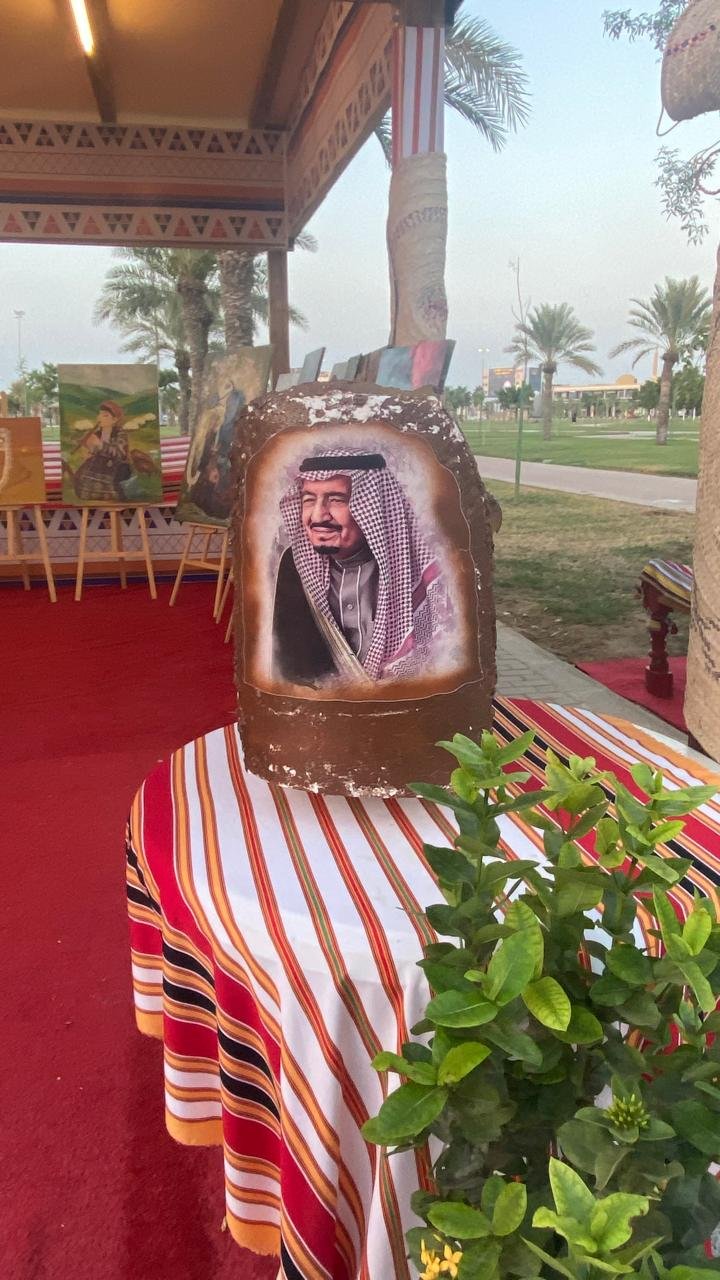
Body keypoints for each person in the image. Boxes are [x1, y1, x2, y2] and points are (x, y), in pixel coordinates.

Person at [272, 449, 450, 687]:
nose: (318, 515)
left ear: (372, 506)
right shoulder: (295, 564)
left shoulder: (413, 568)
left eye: (337, 500)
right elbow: (291, 665)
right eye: (309, 500)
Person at [72, 401, 132, 502]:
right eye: (99, 414)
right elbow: (92, 452)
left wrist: (99, 445)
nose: (100, 418)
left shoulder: (120, 434)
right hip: (96, 467)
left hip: (114, 469)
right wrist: (88, 449)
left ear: (114, 419)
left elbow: (119, 453)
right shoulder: (97, 434)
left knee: (110, 493)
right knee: (83, 483)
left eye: (105, 415)